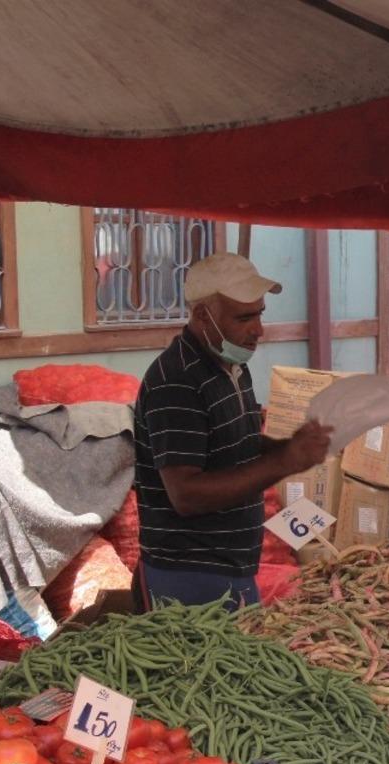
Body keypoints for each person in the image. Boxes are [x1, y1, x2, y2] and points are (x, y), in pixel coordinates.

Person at [132, 253, 332, 611]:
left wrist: (290, 447)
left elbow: (235, 447)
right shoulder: (176, 381)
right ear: (202, 316)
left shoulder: (232, 368)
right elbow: (187, 494)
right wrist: (285, 461)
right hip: (187, 578)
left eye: (259, 314)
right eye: (244, 317)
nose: (258, 329)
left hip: (231, 568)